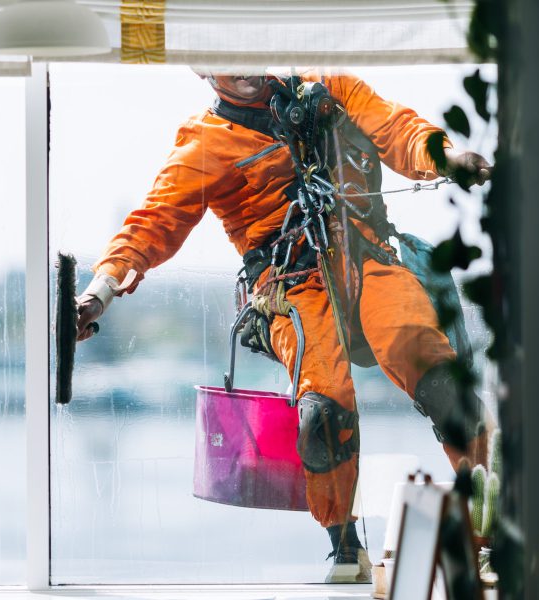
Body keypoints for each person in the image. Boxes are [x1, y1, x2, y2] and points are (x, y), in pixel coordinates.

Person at [74, 67, 493, 582]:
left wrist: (446, 158)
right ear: (201, 69)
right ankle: (344, 546)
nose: (245, 66)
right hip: (290, 286)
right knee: (324, 406)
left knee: (428, 362)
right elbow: (152, 224)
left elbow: (396, 129)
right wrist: (99, 294)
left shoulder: (332, 92)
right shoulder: (205, 144)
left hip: (368, 259)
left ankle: (489, 527)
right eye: (225, 58)